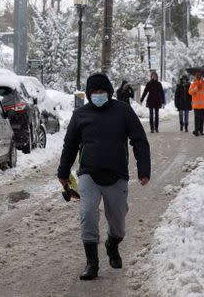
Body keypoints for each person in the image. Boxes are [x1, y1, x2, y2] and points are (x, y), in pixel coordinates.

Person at [58, 72, 151, 281]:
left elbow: (139, 140)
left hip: (117, 174)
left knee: (117, 221)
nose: (98, 95)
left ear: (109, 92)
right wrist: (63, 173)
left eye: (102, 91)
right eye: (94, 92)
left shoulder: (123, 111)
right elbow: (70, 145)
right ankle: (92, 263)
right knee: (88, 212)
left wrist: (144, 169)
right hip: (88, 174)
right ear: (89, 94)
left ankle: (112, 244)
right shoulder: (80, 115)